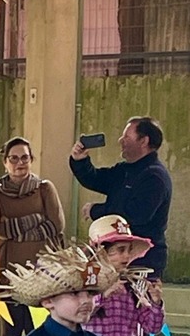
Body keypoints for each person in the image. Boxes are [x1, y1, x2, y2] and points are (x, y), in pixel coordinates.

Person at [0, 136, 65, 336]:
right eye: (14, 158)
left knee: (40, 330)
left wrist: (17, 228)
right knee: (10, 332)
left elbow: (55, 225)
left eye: (24, 157)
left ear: (32, 160)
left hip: (42, 274)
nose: (19, 163)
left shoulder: (45, 189)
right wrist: (35, 220)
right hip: (9, 272)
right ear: (5, 162)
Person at [69, 117, 173, 275]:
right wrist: (80, 161)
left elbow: (135, 214)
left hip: (143, 259)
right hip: (115, 258)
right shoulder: (125, 170)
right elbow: (95, 179)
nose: (120, 140)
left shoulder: (155, 177)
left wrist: (96, 210)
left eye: (126, 137)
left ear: (143, 141)